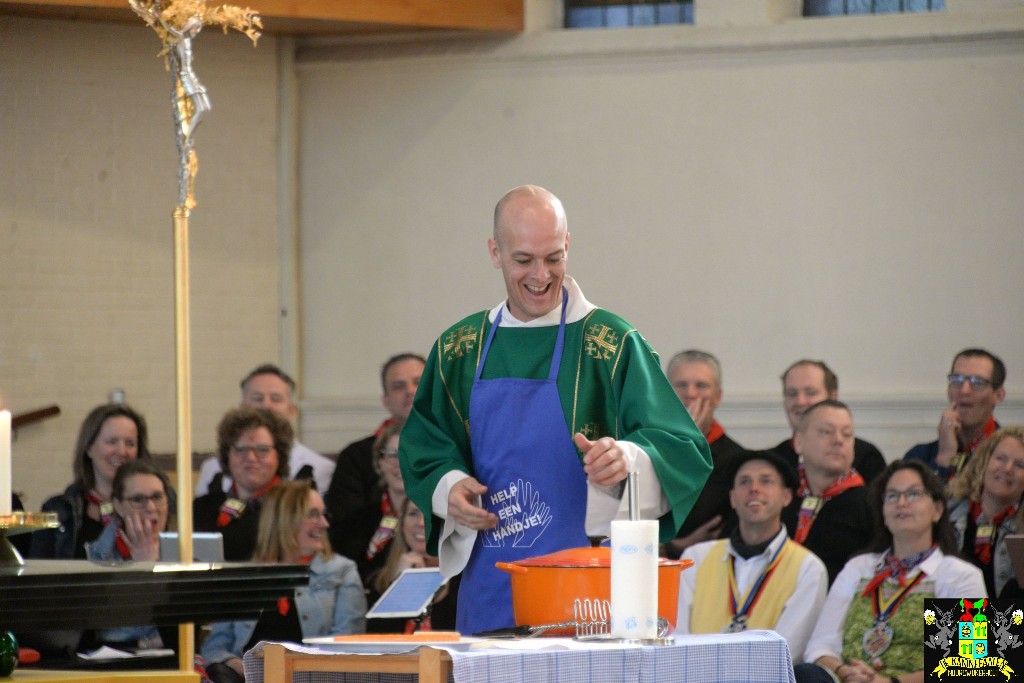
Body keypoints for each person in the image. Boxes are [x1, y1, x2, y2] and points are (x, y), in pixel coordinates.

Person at [399, 185, 712, 635]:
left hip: (590, 590)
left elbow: (682, 447)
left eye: (554, 257)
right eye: (523, 260)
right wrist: (449, 487)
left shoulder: (610, 342)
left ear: (568, 246)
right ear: (495, 252)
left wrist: (629, 458)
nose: (541, 275)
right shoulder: (458, 348)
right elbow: (427, 443)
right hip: (491, 582)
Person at [795, 460, 986, 683]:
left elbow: (972, 665)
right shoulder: (859, 567)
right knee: (805, 674)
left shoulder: (960, 575)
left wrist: (889, 682)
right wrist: (844, 672)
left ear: (937, 509)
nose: (901, 503)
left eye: (913, 494)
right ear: (883, 512)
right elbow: (819, 646)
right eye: (892, 496)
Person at [201, 480, 366, 683]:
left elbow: (346, 645)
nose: (325, 524)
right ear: (284, 519)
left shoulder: (342, 571)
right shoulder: (244, 576)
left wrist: (282, 674)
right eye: (313, 515)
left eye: (324, 514)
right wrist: (236, 665)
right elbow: (214, 646)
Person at [676, 450, 827, 663]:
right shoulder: (695, 558)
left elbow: (785, 654)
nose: (754, 489)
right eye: (744, 482)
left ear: (786, 497)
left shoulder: (808, 569)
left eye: (766, 481)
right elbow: (677, 639)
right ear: (732, 498)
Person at [325, 353, 424, 560]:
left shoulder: (459, 446)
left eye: (419, 382)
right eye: (399, 386)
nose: (410, 391)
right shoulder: (355, 456)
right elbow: (345, 532)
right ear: (385, 400)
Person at [30, 404, 151, 559]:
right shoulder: (58, 510)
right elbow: (39, 575)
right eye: (112, 441)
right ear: (89, 448)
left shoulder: (155, 506)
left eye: (130, 443)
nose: (122, 451)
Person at [195, 364, 335, 495]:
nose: (266, 405)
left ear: (292, 411)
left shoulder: (320, 468)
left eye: (276, 398)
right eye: (257, 398)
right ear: (242, 407)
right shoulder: (213, 468)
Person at [84, 460, 174, 653]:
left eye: (157, 497)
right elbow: (97, 637)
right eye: (138, 499)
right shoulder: (95, 556)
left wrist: (151, 568)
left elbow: (183, 638)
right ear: (118, 505)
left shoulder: (184, 553)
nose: (151, 507)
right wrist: (142, 570)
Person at [784, 399, 875, 585]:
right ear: (799, 442)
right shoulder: (782, 498)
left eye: (847, 434)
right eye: (826, 432)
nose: (838, 440)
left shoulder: (873, 505)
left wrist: (941, 615)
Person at [664, 350, 744, 557]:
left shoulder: (738, 460)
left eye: (701, 385)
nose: (690, 393)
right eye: (681, 385)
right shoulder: (643, 447)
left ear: (718, 396)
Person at [193, 407, 291, 561]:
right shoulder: (201, 510)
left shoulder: (294, 509)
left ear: (279, 456)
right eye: (240, 449)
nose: (251, 457)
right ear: (227, 456)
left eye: (262, 449)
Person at [774, 360, 886, 486]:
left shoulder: (866, 457)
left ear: (833, 397)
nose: (800, 401)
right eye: (792, 394)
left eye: (810, 393)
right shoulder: (773, 461)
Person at [904, 348, 1006, 482]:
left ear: (998, 396)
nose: (964, 390)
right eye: (957, 380)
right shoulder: (920, 457)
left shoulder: (1013, 457)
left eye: (978, 382)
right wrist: (944, 457)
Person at [946, 426, 1024, 599]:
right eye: (1001, 458)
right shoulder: (947, 514)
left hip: (1009, 623)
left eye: (1020, 465)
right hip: (949, 621)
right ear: (984, 461)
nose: (1008, 469)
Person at [366, 498, 458, 634]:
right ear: (401, 524)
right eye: (413, 514)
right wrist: (399, 585)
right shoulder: (381, 582)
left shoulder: (465, 580)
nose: (421, 523)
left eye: (431, 515)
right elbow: (377, 646)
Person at [336, 421, 406, 581]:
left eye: (408, 454)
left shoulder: (438, 518)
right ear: (379, 462)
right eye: (392, 455)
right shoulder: (356, 523)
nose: (400, 463)